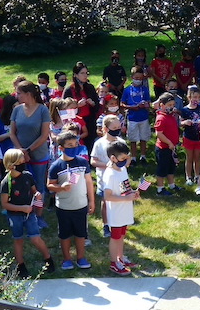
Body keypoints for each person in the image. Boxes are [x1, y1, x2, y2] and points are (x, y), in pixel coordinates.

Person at [0, 149, 56, 278]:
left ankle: (48, 259)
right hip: (15, 215)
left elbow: (34, 191)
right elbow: (4, 204)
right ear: (11, 165)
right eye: (20, 162)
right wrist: (22, 208)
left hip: (29, 214)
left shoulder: (27, 176)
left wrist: (37, 195)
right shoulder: (6, 182)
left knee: (35, 237)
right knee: (18, 239)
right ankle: (21, 266)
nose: (23, 164)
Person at [47, 131, 95, 271]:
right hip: (64, 207)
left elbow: (89, 182)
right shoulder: (56, 166)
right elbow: (49, 185)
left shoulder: (82, 162)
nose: (74, 147)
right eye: (70, 145)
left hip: (81, 205)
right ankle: (67, 259)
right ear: (61, 148)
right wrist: (61, 187)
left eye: (75, 144)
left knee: (81, 233)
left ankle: (81, 257)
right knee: (65, 234)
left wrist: (91, 201)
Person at [10, 80, 52, 217]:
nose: (17, 96)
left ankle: (38, 215)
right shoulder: (16, 110)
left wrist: (28, 150)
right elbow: (12, 133)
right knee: (20, 183)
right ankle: (22, 211)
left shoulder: (43, 110)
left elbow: (44, 135)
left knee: (39, 185)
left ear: (28, 94)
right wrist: (21, 151)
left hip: (39, 154)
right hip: (20, 156)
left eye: (19, 93)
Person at [102, 139, 140, 276]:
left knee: (122, 235)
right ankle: (114, 263)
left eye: (127, 157)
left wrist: (132, 193)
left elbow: (124, 187)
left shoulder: (122, 169)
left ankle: (121, 257)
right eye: (123, 158)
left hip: (124, 209)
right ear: (113, 158)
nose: (126, 160)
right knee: (115, 236)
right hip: (116, 212)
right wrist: (125, 199)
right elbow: (107, 196)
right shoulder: (110, 174)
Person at [91, 114, 125, 239]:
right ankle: (106, 225)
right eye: (114, 128)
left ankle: (119, 223)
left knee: (119, 200)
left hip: (119, 178)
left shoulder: (121, 142)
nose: (117, 130)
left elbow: (127, 158)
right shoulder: (99, 143)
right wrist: (107, 165)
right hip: (104, 178)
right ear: (105, 129)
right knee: (106, 201)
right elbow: (93, 161)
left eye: (119, 127)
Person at [64, 62, 100, 151]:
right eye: (82, 73)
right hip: (75, 122)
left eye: (86, 73)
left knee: (90, 144)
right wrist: (77, 105)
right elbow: (63, 109)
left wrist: (93, 103)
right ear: (76, 75)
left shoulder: (90, 87)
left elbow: (97, 105)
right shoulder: (69, 89)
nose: (85, 75)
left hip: (89, 121)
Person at [120, 66, 151, 164]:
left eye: (140, 78)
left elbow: (148, 102)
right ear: (132, 77)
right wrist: (132, 107)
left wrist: (146, 105)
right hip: (132, 118)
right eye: (136, 78)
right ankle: (133, 157)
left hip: (143, 117)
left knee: (143, 137)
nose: (138, 80)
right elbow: (122, 104)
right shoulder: (127, 90)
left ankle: (143, 156)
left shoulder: (144, 89)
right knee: (133, 139)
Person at [153, 92, 180, 196]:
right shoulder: (161, 117)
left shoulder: (171, 115)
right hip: (163, 148)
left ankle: (172, 185)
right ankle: (160, 189)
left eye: (173, 105)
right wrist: (169, 142)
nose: (171, 107)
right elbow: (159, 134)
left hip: (171, 147)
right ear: (162, 105)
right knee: (162, 168)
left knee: (171, 167)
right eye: (169, 105)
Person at [179, 86, 200, 186]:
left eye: (198, 97)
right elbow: (180, 123)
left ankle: (197, 175)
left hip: (199, 138)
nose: (196, 99)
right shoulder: (184, 110)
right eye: (194, 97)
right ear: (189, 97)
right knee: (189, 158)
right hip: (188, 137)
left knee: (197, 158)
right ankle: (188, 177)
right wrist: (185, 122)